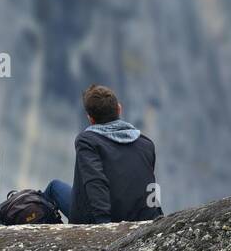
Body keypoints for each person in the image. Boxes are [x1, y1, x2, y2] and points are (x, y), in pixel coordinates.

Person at [43, 84, 163, 224]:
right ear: (119, 109)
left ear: (91, 119)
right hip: (138, 218)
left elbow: (95, 182)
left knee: (53, 188)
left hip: (101, 219)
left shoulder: (87, 141)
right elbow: (151, 185)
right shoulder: (146, 144)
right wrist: (157, 219)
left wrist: (104, 226)